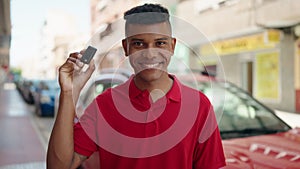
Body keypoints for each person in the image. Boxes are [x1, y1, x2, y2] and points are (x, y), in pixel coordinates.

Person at [47, 3, 226, 169]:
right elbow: (59, 166)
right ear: (126, 48)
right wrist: (69, 91)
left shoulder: (199, 106)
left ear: (172, 46)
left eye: (160, 43)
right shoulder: (104, 105)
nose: (150, 54)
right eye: (138, 44)